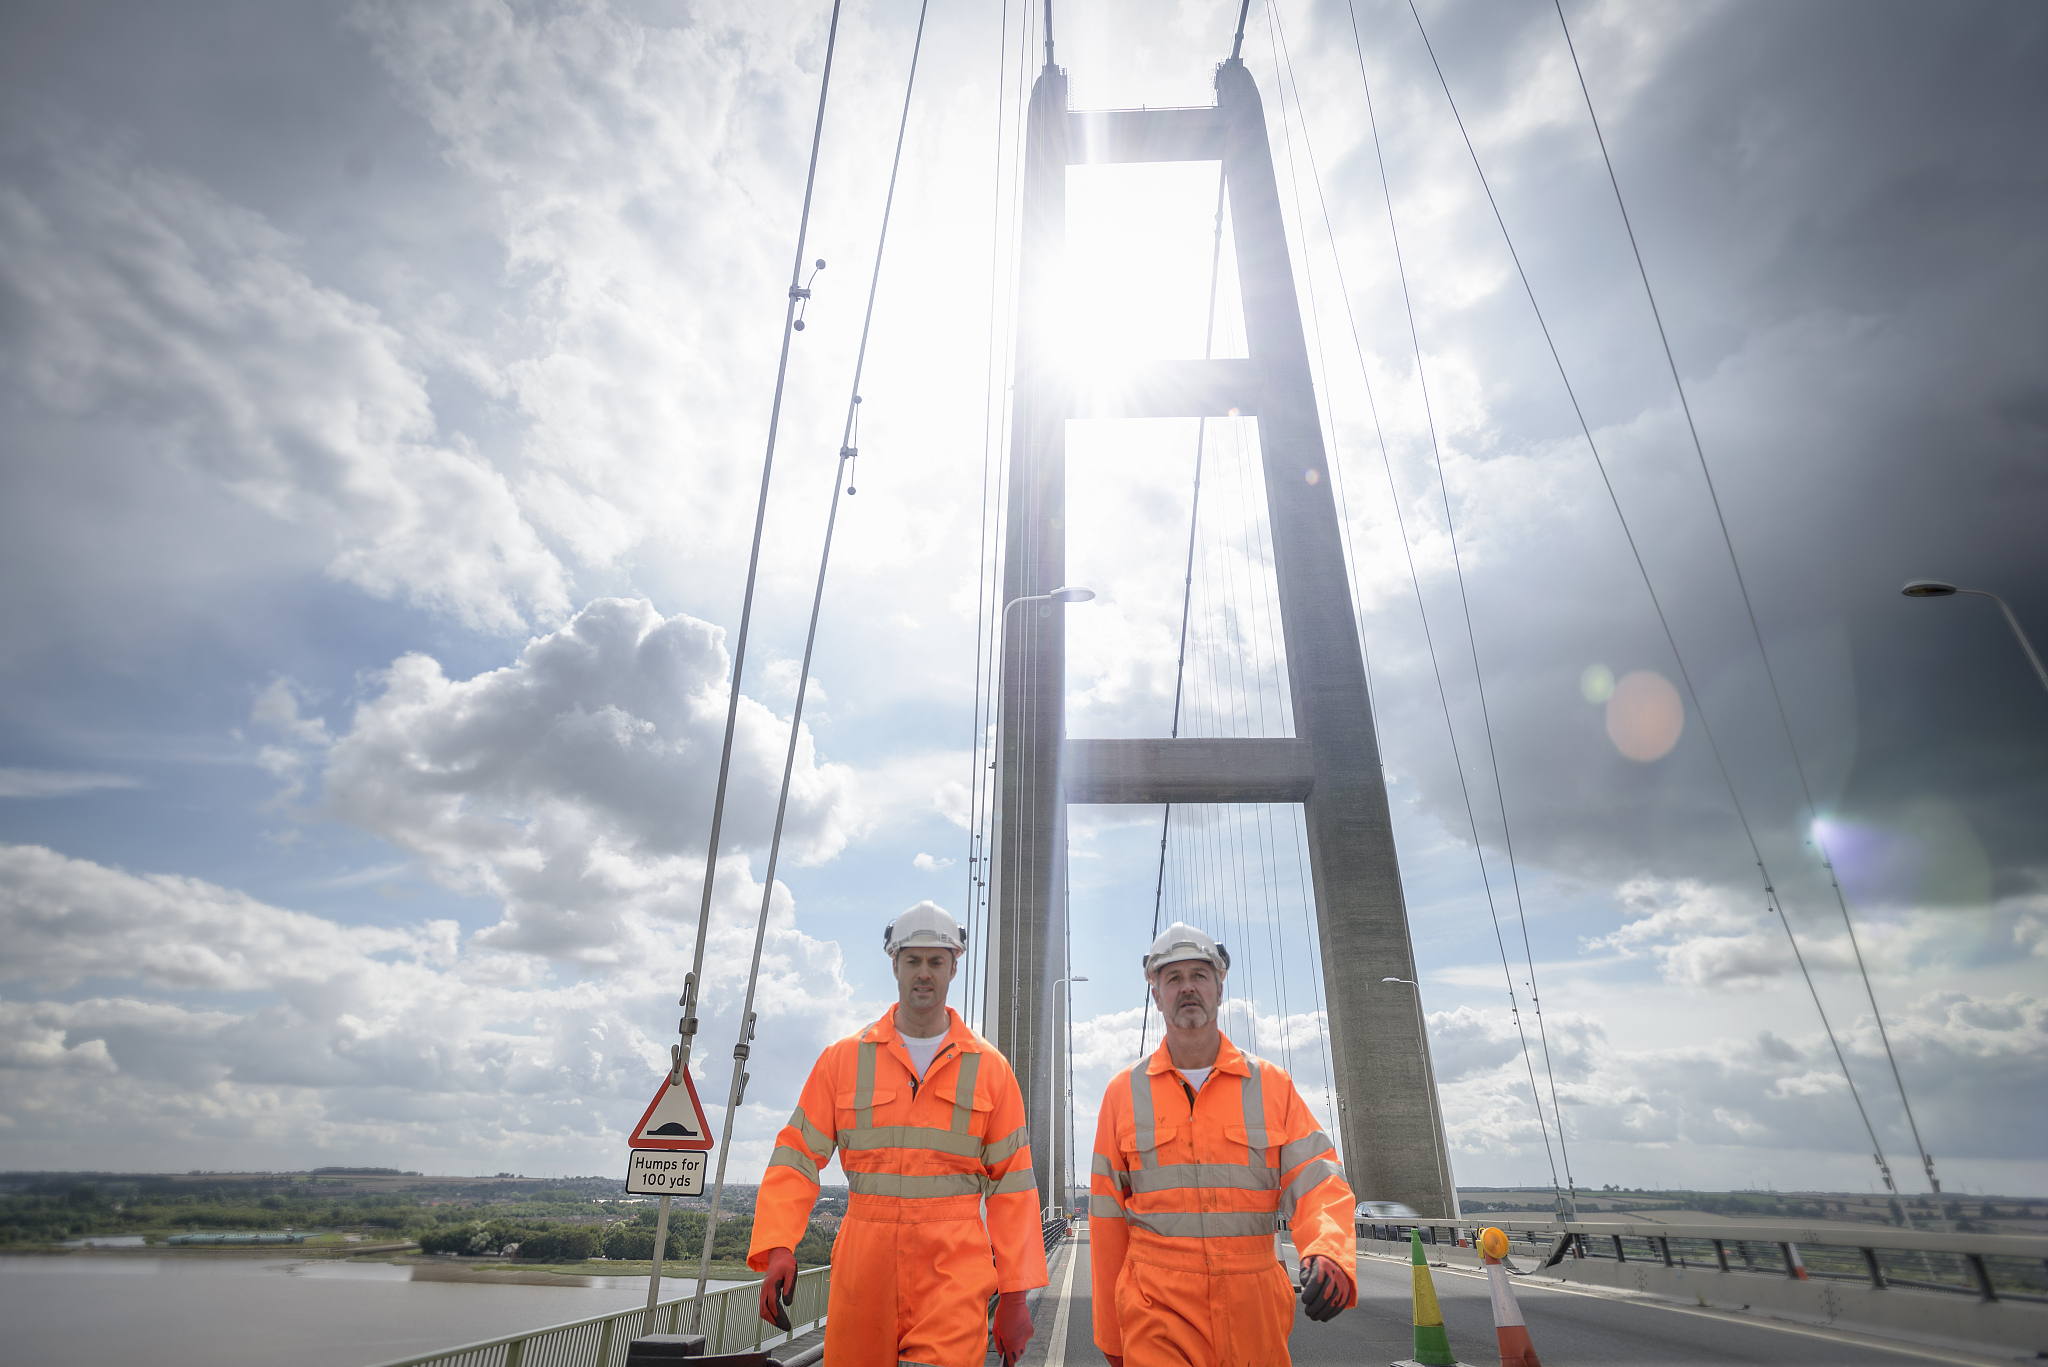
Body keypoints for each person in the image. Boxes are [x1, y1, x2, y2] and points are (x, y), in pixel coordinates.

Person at [748, 902, 1047, 1367]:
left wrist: (1013, 1295)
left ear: (954, 966)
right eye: (913, 960)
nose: (923, 973)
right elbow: (797, 1155)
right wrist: (779, 1244)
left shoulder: (991, 1070)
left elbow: (1013, 1188)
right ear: (894, 964)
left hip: (953, 1271)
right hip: (863, 1273)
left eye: (935, 961)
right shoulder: (843, 1060)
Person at [1090, 922, 1357, 1367]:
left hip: (1256, 1315)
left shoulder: (1271, 1086)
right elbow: (1106, 1221)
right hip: (1157, 1311)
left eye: (1199, 975)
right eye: (1173, 977)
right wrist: (1111, 1338)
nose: (1187, 987)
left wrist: (1328, 1252)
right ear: (1155, 993)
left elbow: (1318, 1182)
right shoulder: (1124, 1093)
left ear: (1219, 985)